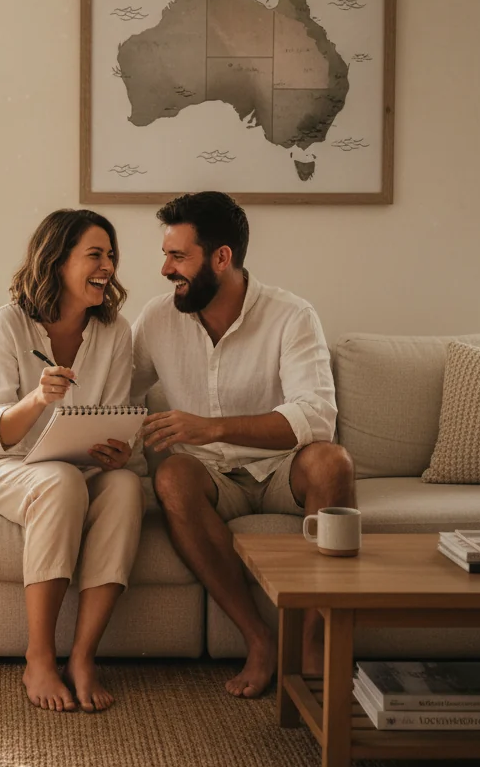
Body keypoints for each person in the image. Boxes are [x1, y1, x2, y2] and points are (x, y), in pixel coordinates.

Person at [131, 191, 355, 699]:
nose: (165, 268)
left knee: (332, 464)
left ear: (221, 258)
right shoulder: (157, 318)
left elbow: (316, 416)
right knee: (171, 476)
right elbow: (118, 391)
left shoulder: (291, 316)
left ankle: (315, 641)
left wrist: (212, 427)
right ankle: (259, 639)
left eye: (178, 256)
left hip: (283, 469)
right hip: (208, 476)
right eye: (166, 254)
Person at [0, 209, 144, 713]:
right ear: (57, 260)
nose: (107, 265)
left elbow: (110, 417)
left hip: (78, 468)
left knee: (127, 486)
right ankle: (39, 657)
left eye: (111, 256)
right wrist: (37, 401)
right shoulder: (5, 324)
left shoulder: (115, 331)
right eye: (94, 254)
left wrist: (119, 449)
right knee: (61, 482)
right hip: (2, 468)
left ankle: (83, 657)